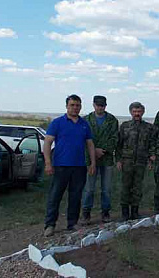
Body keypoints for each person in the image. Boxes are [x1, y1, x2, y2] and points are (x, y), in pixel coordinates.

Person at [43, 94, 96, 237]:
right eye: (72, 105)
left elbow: (90, 144)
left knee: (76, 196)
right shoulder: (57, 123)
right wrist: (48, 163)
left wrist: (92, 163)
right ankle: (50, 225)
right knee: (55, 195)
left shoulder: (84, 124)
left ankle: (72, 223)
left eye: (77, 105)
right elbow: (47, 143)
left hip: (79, 166)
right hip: (61, 165)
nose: (75, 108)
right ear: (67, 106)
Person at [115, 102, 156, 220]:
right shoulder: (125, 126)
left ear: (143, 112)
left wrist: (151, 159)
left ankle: (135, 212)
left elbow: (151, 144)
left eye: (139, 111)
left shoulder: (148, 127)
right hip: (127, 161)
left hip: (141, 161)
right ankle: (124, 213)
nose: (137, 114)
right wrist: (118, 160)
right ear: (130, 112)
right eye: (134, 111)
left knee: (138, 187)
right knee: (126, 186)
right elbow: (119, 144)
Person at [81, 95, 118, 224]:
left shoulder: (112, 120)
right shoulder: (86, 120)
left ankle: (105, 212)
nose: (100, 107)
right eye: (98, 105)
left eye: (102, 105)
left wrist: (102, 150)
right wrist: (93, 151)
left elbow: (114, 138)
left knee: (106, 189)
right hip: (90, 160)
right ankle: (86, 213)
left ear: (105, 106)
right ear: (93, 105)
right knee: (89, 188)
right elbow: (83, 139)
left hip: (106, 158)